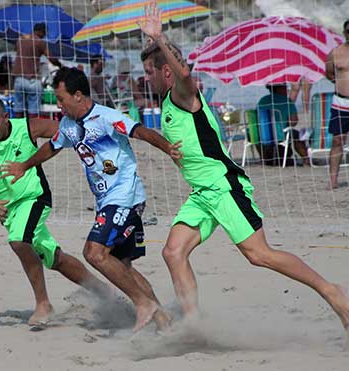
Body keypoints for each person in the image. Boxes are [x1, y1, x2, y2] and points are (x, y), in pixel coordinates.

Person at [138, 1, 349, 334]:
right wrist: (149, 43)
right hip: (202, 194)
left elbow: (184, 74)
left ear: (165, 71)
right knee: (172, 251)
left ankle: (331, 291)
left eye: (149, 71)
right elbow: (170, 74)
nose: (144, 78)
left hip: (224, 187)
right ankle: (193, 325)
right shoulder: (166, 101)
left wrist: (160, 39)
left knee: (259, 254)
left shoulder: (183, 93)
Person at [0, 67, 182, 332]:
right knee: (121, 266)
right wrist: (24, 165)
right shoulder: (68, 125)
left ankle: (144, 304)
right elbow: (51, 147)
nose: (58, 105)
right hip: (107, 201)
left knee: (93, 253)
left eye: (60, 99)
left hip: (125, 197)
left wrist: (168, 148)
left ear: (77, 95)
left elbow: (140, 131)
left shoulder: (106, 117)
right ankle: (163, 321)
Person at [0, 95, 114, 327]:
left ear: (5, 117)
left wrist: (93, 147)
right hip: (9, 212)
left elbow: (64, 130)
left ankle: (43, 304)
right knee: (56, 259)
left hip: (35, 198)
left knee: (19, 241)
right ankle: (102, 291)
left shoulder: (27, 127)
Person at [12, 23, 62, 119]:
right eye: (44, 33)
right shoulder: (39, 42)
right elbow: (51, 58)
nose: (44, 36)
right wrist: (60, 65)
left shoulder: (20, 39)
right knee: (33, 111)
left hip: (18, 79)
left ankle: (17, 129)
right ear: (40, 31)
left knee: (19, 109)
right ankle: (32, 130)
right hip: (32, 80)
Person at [257, 84, 310, 166]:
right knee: (297, 135)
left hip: (264, 134)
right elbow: (294, 122)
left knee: (256, 134)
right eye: (285, 87)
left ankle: (263, 158)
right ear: (279, 89)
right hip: (281, 134)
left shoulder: (262, 100)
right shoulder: (287, 101)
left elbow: (258, 118)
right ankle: (306, 159)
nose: (287, 89)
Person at [325, 19, 349, 189]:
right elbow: (329, 73)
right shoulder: (335, 52)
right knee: (337, 141)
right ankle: (333, 180)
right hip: (341, 101)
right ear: (344, 32)